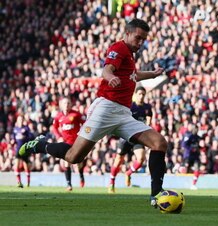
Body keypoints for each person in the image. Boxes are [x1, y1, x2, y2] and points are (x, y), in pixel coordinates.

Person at [19, 18, 168, 207]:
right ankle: (39, 145)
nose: (140, 43)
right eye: (138, 38)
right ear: (127, 33)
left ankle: (156, 195)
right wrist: (111, 77)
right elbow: (106, 70)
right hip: (106, 109)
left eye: (143, 40)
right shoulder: (119, 48)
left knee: (159, 143)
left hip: (123, 113)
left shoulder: (129, 56)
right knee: (74, 157)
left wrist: (152, 74)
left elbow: (134, 75)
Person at [108, 86, 152, 193]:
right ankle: (112, 182)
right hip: (126, 137)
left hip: (138, 137)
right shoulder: (130, 106)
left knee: (141, 158)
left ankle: (128, 173)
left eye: (143, 94)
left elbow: (149, 120)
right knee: (118, 160)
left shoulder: (147, 107)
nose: (141, 96)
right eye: (140, 94)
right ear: (135, 94)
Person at [52, 97, 86, 191]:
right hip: (65, 143)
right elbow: (54, 127)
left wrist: (83, 134)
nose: (66, 105)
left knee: (79, 163)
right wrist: (58, 136)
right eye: (64, 103)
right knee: (67, 162)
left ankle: (81, 175)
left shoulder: (76, 114)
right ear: (61, 105)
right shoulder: (58, 116)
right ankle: (69, 184)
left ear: (71, 104)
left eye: (68, 103)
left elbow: (85, 123)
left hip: (76, 143)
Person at [12, 115, 33, 188]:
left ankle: (28, 183)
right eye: (19, 119)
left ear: (23, 120)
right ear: (17, 121)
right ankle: (19, 182)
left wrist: (25, 138)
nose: (20, 120)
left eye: (21, 119)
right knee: (16, 165)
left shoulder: (26, 128)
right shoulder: (15, 129)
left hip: (24, 150)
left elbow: (30, 137)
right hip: (18, 149)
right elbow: (13, 138)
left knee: (26, 167)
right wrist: (12, 141)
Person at [181, 124, 201, 190]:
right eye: (195, 129)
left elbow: (198, 146)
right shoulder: (188, 135)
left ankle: (194, 184)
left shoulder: (197, 137)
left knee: (197, 168)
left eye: (197, 129)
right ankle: (178, 170)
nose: (196, 130)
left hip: (195, 156)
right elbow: (183, 144)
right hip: (188, 155)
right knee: (185, 169)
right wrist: (191, 149)